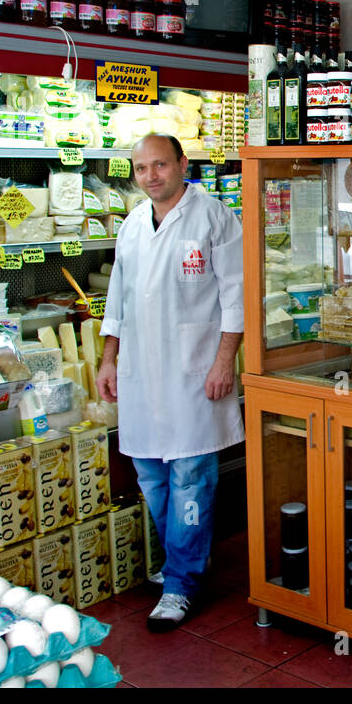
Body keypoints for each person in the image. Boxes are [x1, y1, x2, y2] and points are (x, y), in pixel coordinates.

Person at [96, 133, 244, 631]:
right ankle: (185, 563)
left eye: (159, 165)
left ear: (183, 164)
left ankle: (181, 582)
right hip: (141, 375)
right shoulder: (133, 224)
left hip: (194, 373)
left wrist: (226, 361)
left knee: (190, 479)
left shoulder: (215, 218)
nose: (150, 176)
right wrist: (109, 358)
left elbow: (236, 298)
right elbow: (116, 298)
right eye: (141, 169)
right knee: (152, 478)